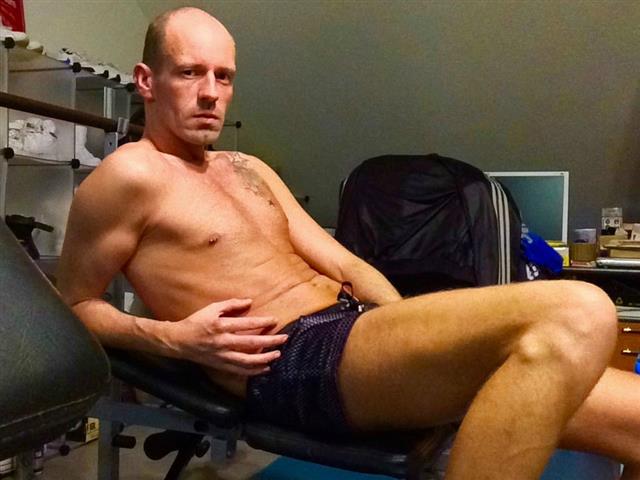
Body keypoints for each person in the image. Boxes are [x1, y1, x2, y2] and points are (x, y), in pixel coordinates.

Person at [57, 7, 640, 479]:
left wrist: (414, 332)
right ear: (146, 80)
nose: (211, 93)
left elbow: (343, 262)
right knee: (580, 309)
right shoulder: (129, 176)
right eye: (190, 73)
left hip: (354, 332)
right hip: (291, 361)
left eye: (224, 76)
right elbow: (75, 305)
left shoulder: (247, 167)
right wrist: (177, 340)